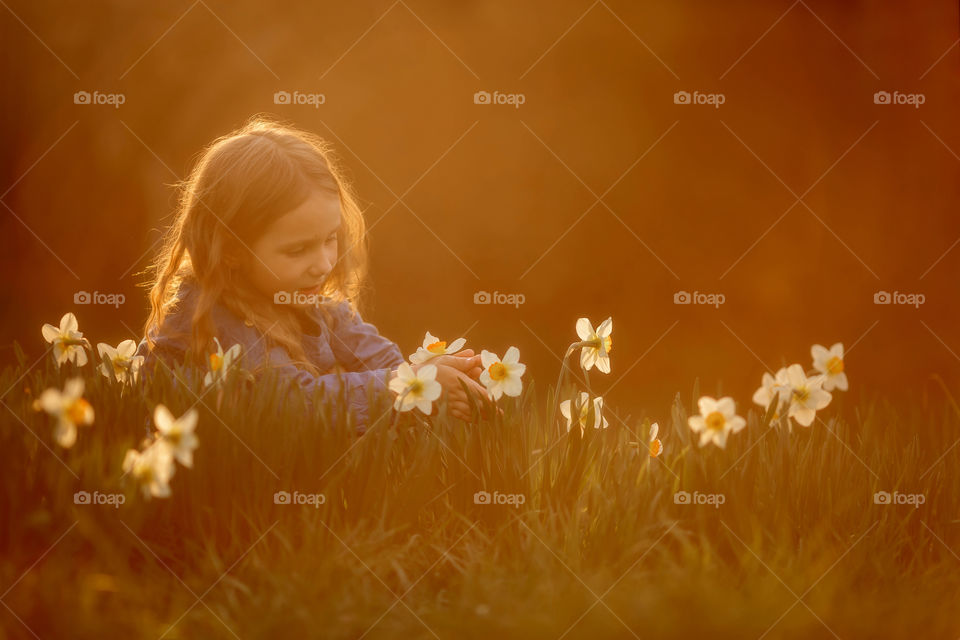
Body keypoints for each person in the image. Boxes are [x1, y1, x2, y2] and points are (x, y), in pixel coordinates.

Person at [134, 115, 486, 430]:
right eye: (297, 249)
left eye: (330, 239)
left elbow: (378, 359)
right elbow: (293, 404)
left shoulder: (312, 299)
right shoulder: (211, 317)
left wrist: (439, 374)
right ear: (231, 250)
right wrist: (413, 385)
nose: (323, 264)